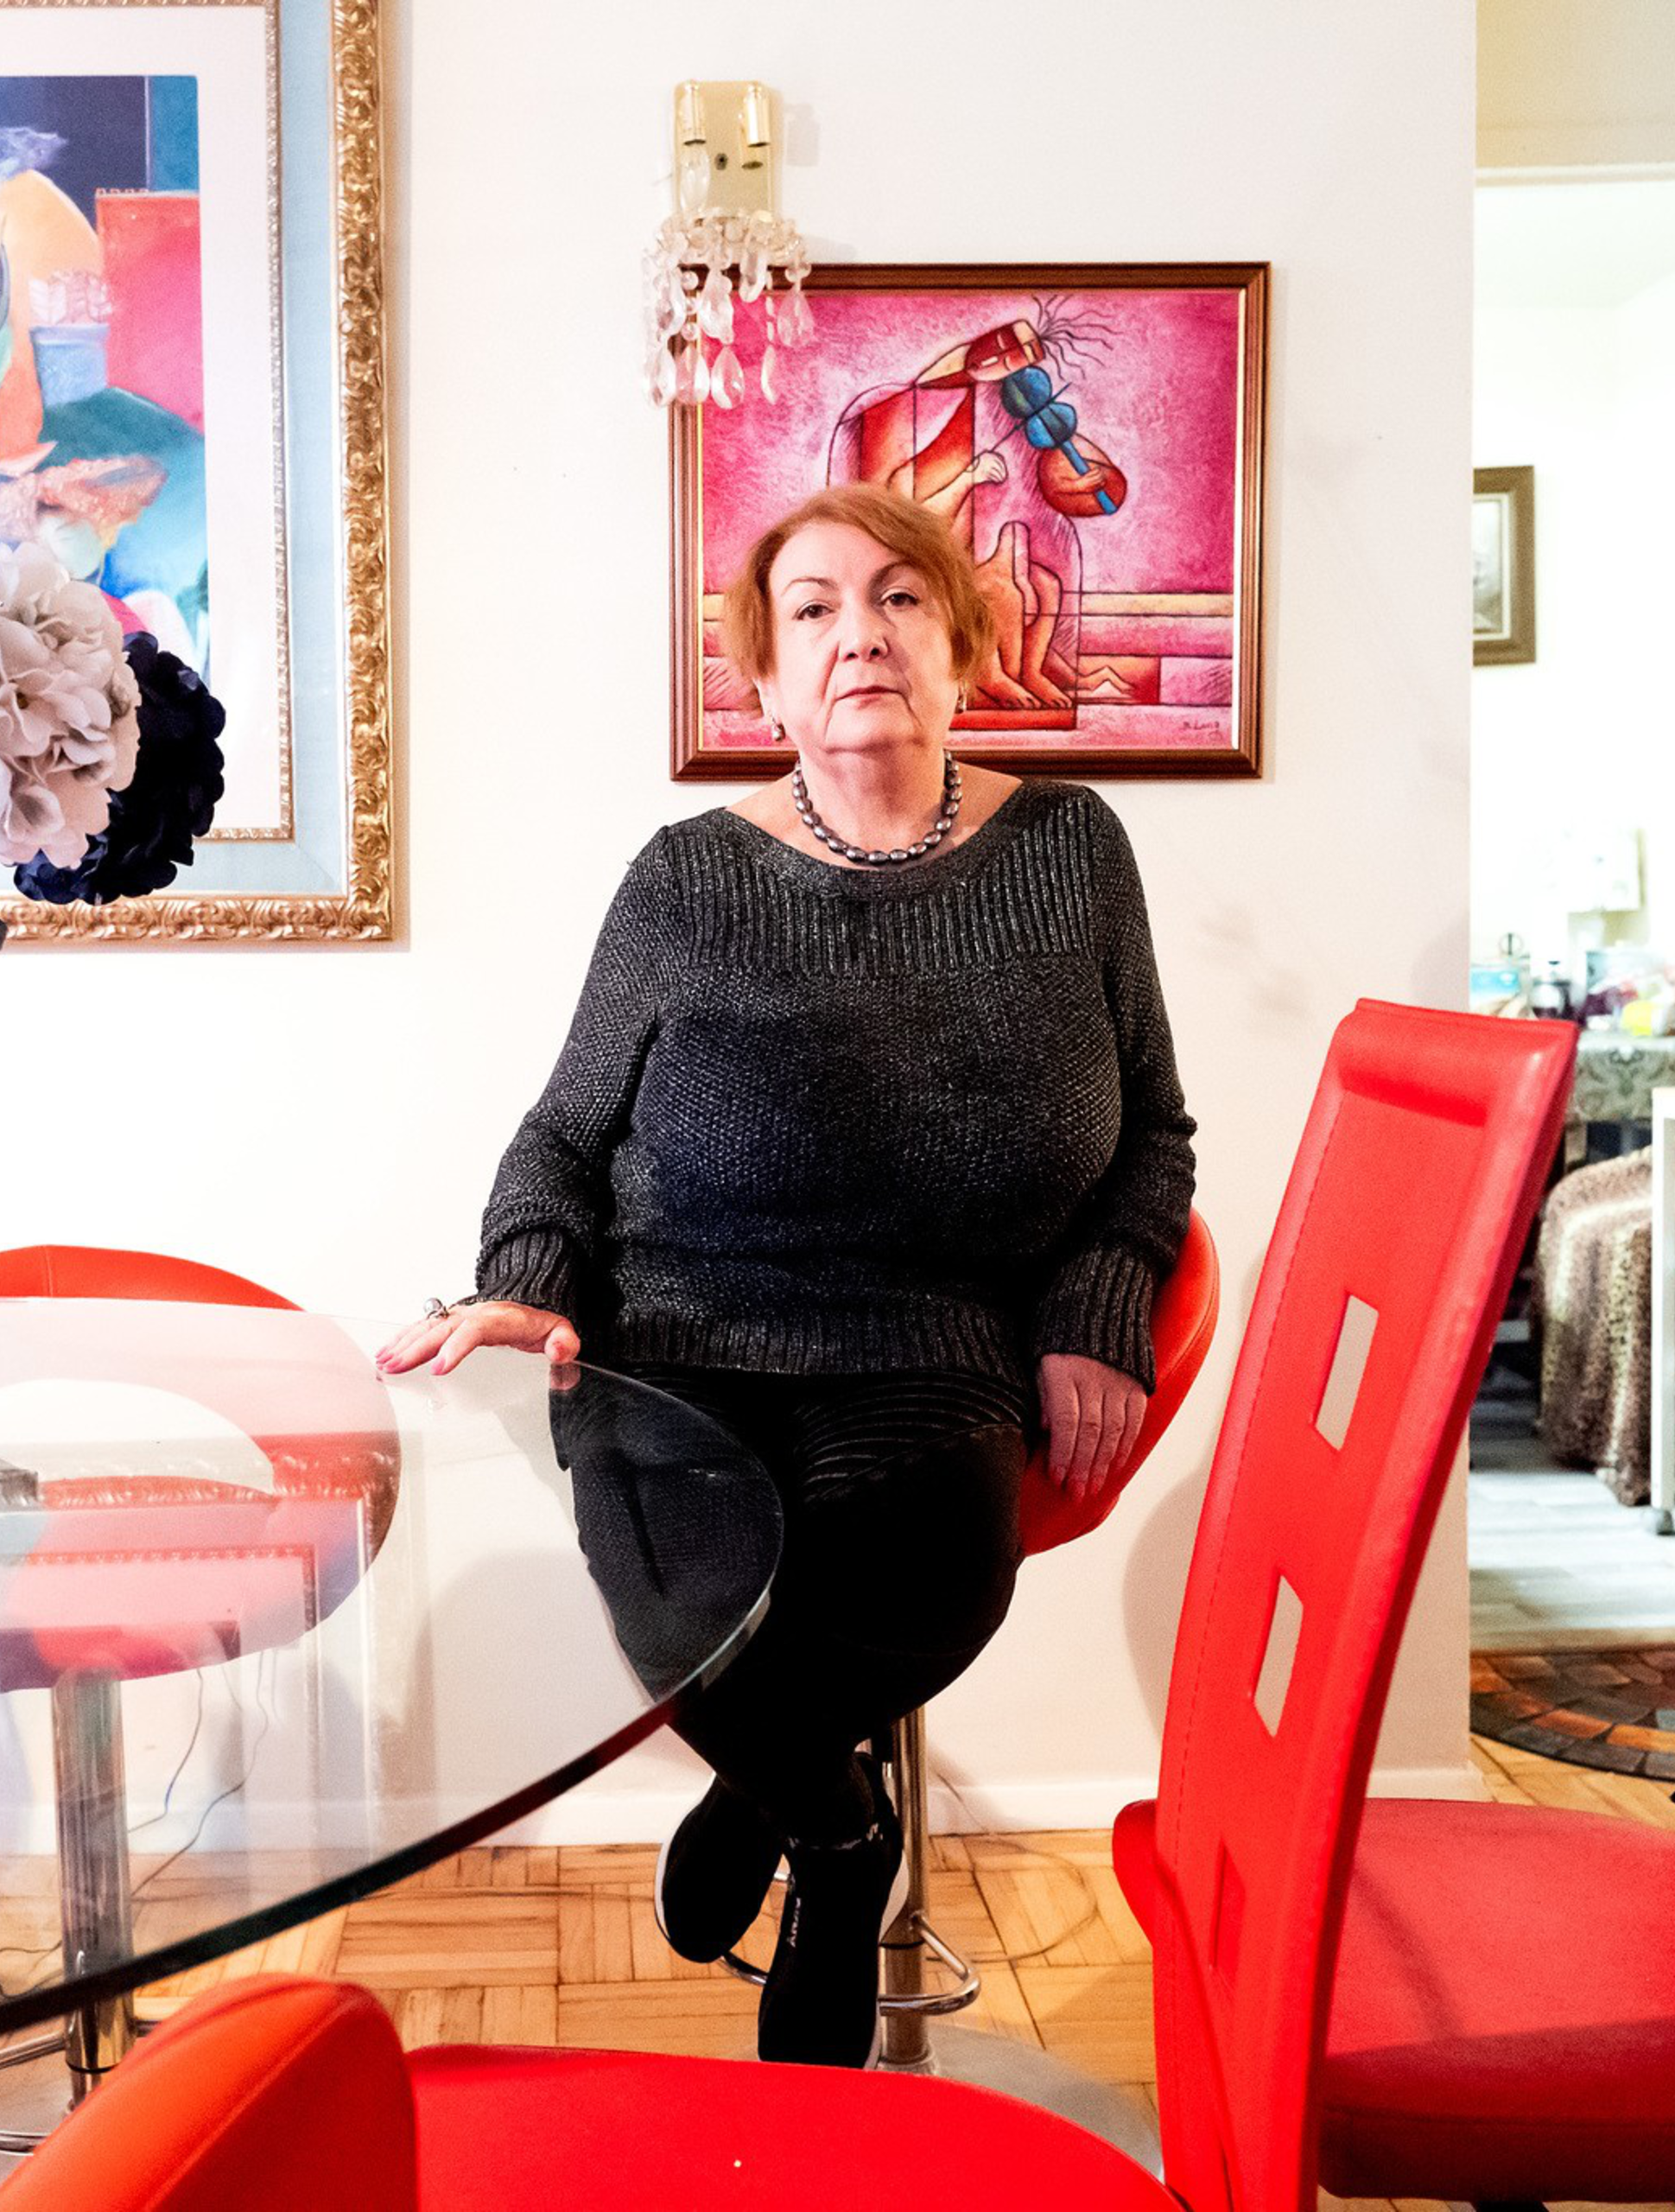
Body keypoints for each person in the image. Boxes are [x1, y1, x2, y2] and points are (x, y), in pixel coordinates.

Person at [377, 481, 1196, 2067]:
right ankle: (833, 1830)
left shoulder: (1073, 850)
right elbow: (559, 1133)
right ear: (762, 682)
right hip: (671, 1335)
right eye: (810, 609)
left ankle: (768, 1781)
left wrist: (1100, 1313)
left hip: (934, 1344)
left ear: (962, 644)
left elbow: (1149, 1136)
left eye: (897, 599)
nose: (858, 636)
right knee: (690, 1609)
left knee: (913, 1569)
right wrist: (533, 1280)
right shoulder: (686, 876)